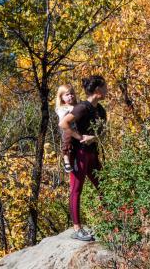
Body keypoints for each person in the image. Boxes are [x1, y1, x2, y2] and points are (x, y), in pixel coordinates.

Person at [59, 75, 108, 241]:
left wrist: (93, 138)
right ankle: (77, 229)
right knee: (76, 190)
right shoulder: (82, 108)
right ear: (97, 90)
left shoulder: (101, 110)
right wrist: (80, 137)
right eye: (105, 87)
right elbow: (63, 124)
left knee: (103, 186)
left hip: (93, 153)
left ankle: (111, 220)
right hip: (79, 154)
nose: (107, 90)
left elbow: (102, 132)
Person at [55, 84, 78, 173]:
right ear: (61, 98)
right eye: (67, 95)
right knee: (67, 141)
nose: (70, 96)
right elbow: (62, 121)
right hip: (67, 130)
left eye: (72, 93)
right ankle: (66, 160)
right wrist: (71, 109)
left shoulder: (77, 105)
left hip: (76, 130)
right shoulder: (62, 108)